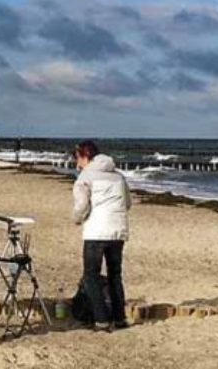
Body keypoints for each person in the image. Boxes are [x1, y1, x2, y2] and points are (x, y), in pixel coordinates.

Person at [71, 140, 131, 331]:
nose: (76, 162)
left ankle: (101, 319)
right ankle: (120, 318)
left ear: (85, 156)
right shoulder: (119, 176)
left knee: (91, 275)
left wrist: (77, 219)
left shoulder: (85, 177)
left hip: (96, 232)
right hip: (118, 231)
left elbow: (81, 205)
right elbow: (127, 203)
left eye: (77, 157)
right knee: (115, 275)